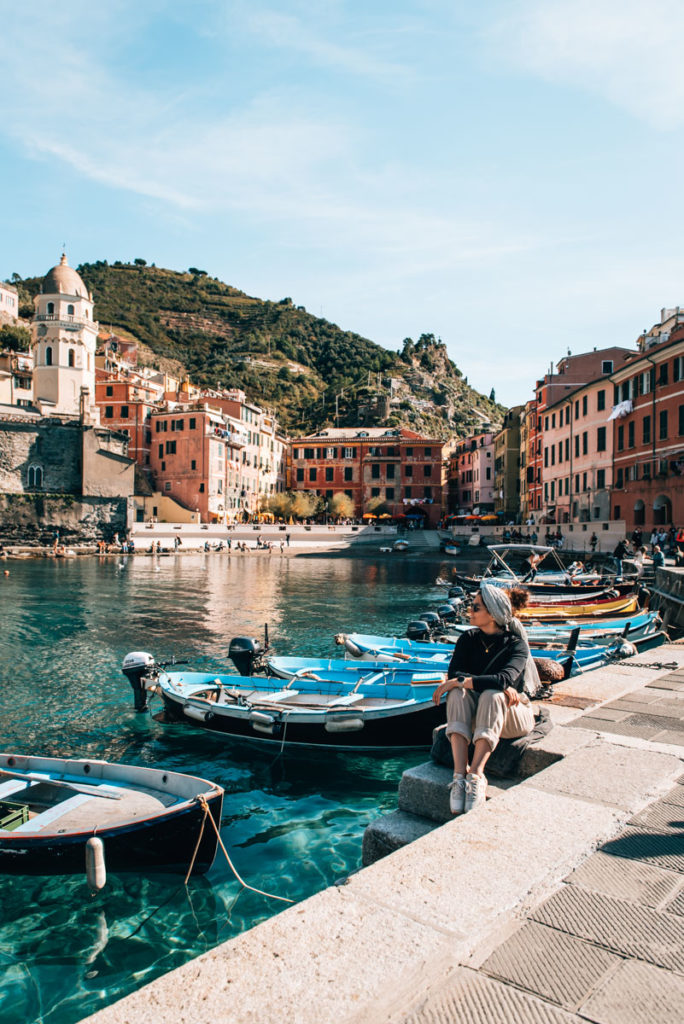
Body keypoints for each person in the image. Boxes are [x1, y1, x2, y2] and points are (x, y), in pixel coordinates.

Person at [431, 584, 538, 816]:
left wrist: (468, 681)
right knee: (459, 693)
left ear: (492, 613)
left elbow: (503, 679)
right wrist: (473, 682)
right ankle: (460, 777)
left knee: (491, 694)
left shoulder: (516, 645)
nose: (470, 610)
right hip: (476, 714)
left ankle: (477, 776)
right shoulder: (467, 639)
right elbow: (456, 674)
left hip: (512, 717)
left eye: (475, 607)